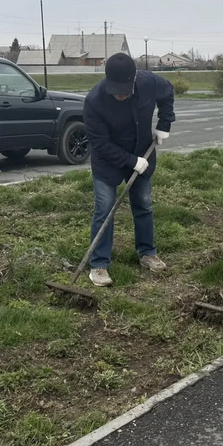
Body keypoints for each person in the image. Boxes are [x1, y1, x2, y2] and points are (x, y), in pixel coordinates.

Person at [83, 53, 175, 287]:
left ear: (134, 79)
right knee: (104, 210)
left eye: (124, 90)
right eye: (115, 90)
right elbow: (100, 143)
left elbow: (168, 93)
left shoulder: (150, 83)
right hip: (108, 162)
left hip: (142, 152)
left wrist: (164, 124)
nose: (120, 95)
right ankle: (99, 264)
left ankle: (147, 253)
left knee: (143, 205)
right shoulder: (94, 101)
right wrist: (131, 161)